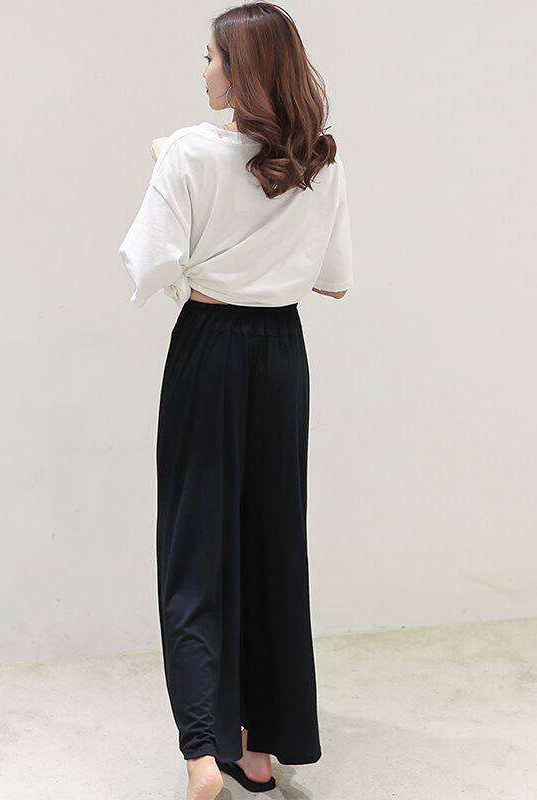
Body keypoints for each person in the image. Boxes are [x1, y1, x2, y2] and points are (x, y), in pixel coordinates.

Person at [117, 4, 353, 798]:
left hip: (210, 349)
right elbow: (334, 279)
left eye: (213, 58)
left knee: (194, 548)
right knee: (272, 545)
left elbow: (147, 265)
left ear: (243, 69)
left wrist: (166, 165)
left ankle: (200, 754)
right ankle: (257, 751)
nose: (205, 71)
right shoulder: (321, 157)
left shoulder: (188, 150)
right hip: (282, 356)